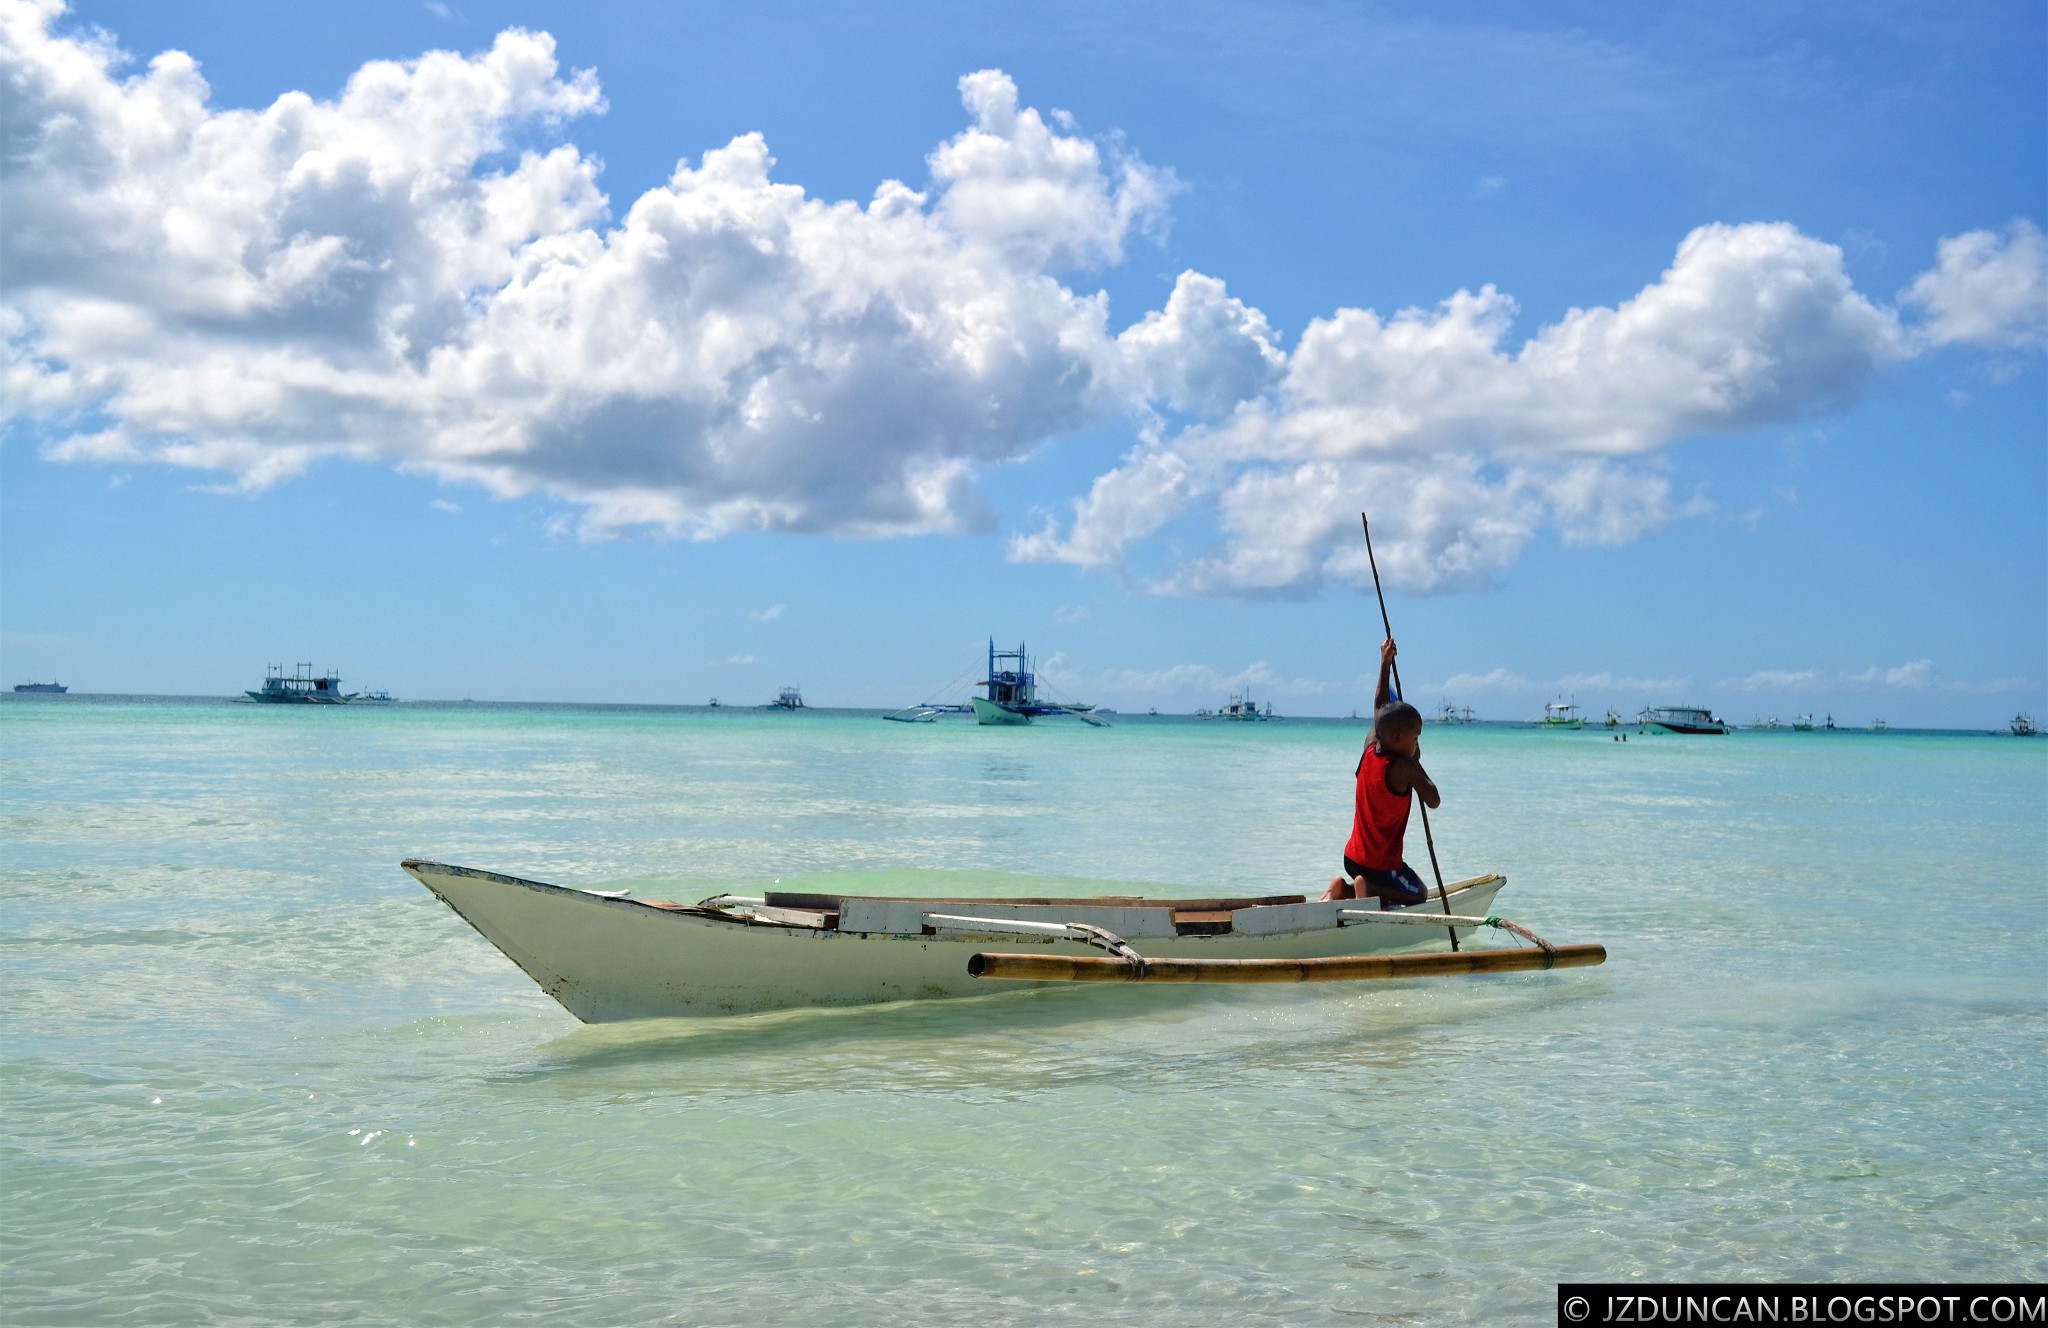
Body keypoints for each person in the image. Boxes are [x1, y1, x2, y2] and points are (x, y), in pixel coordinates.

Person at [1322, 637, 1439, 906]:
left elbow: (1379, 708)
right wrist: (1416, 763)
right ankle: (1365, 889)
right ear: (1397, 739)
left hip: (1352, 858)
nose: (1417, 742)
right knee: (1419, 894)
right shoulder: (1404, 767)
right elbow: (1433, 799)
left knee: (1393, 879)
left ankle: (1346, 888)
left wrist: (1384, 664)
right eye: (1415, 737)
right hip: (1380, 867)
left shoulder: (1370, 746)